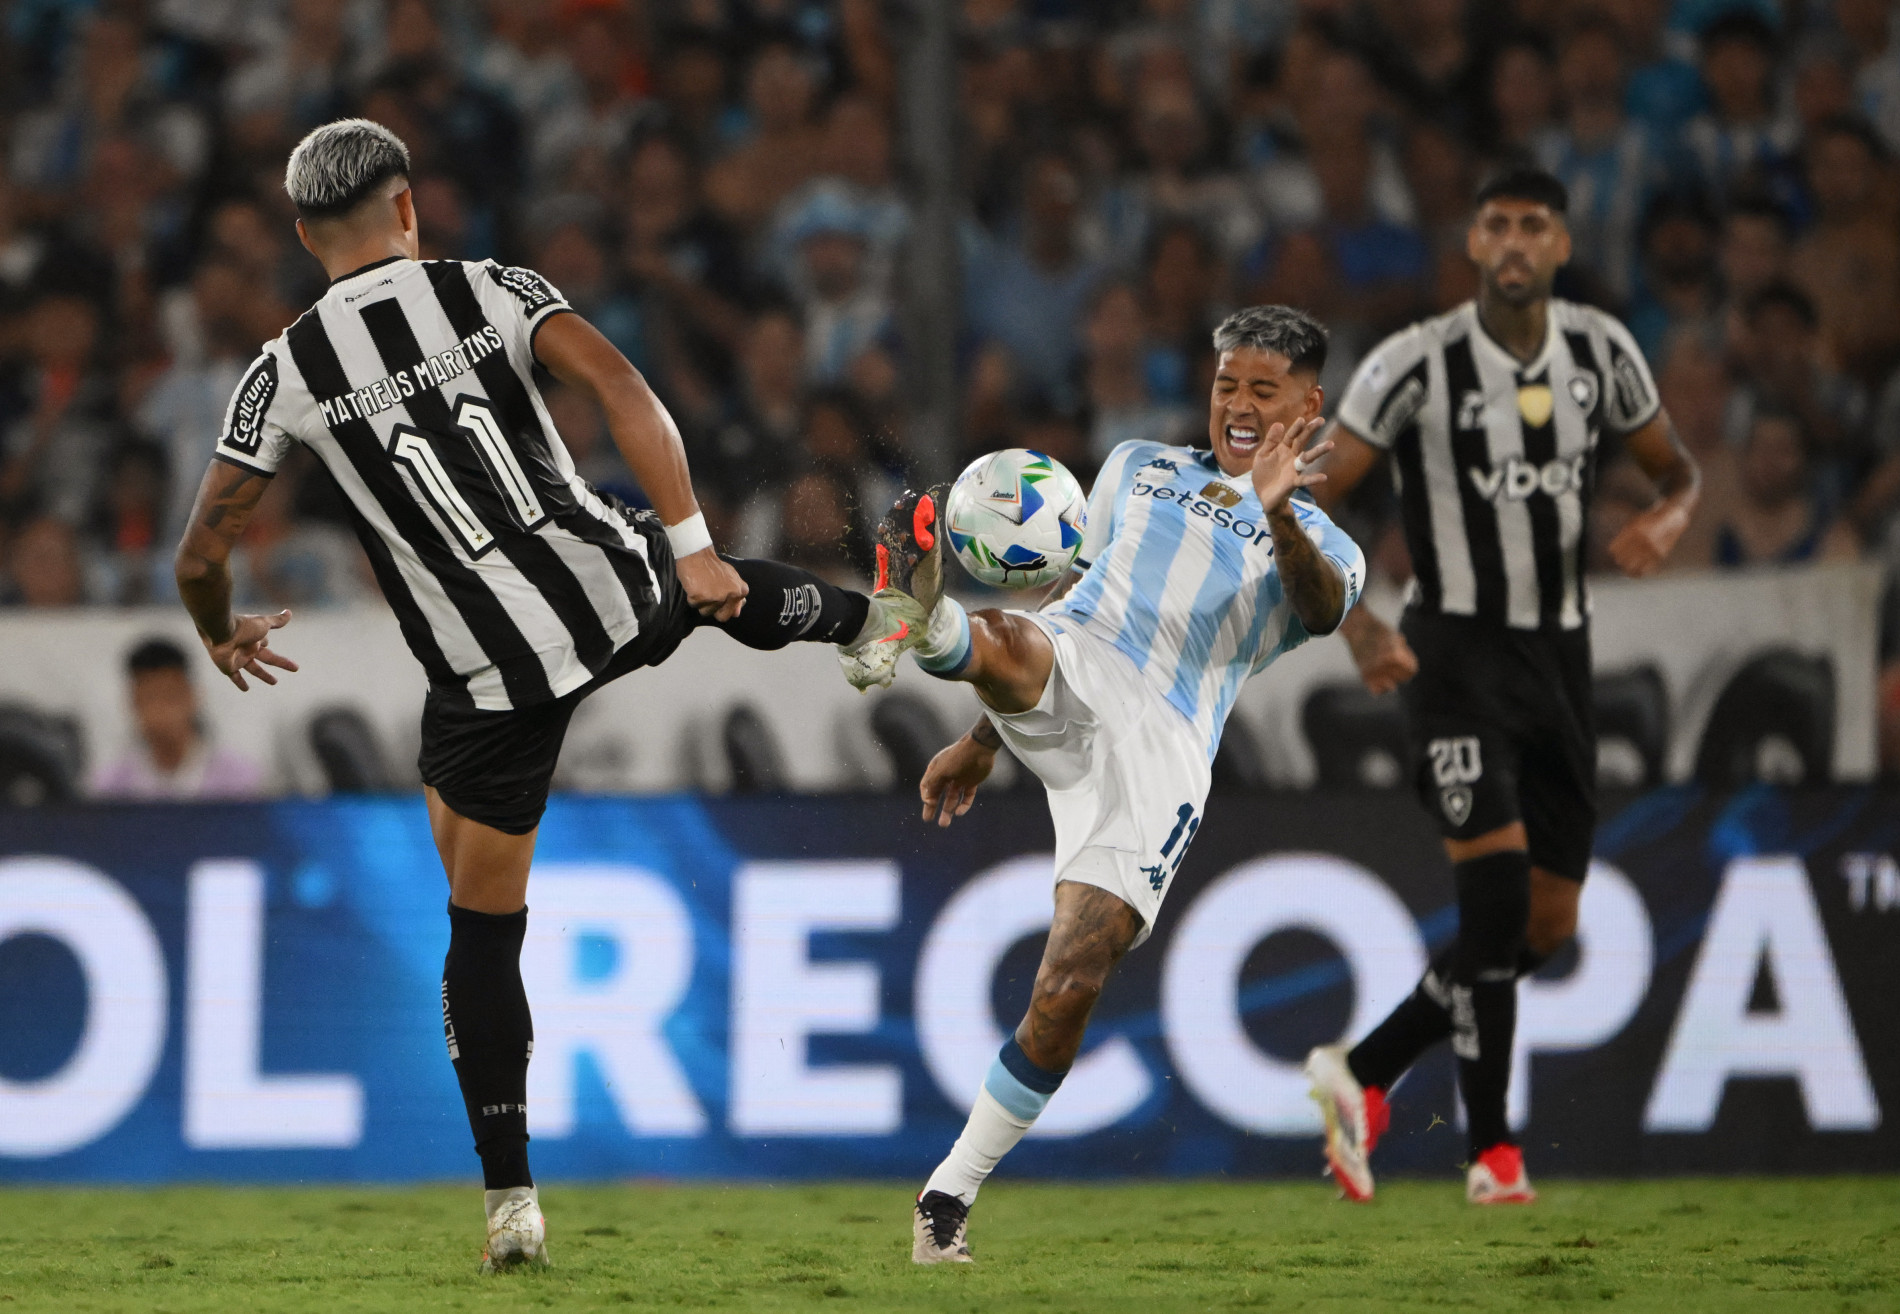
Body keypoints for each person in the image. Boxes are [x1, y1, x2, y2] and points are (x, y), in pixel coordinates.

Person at [171, 119, 895, 1271]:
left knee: (478, 929)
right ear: (408, 207)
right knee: (718, 595)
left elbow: (200, 554)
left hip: (488, 677)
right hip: (607, 584)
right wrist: (695, 541)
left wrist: (218, 634)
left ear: (306, 237)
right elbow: (622, 384)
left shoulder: (283, 372)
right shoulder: (497, 286)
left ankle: (512, 1201)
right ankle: (885, 625)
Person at [837, 305, 1366, 1263]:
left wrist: (1279, 507)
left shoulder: (1328, 542)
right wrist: (985, 741)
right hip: (1080, 657)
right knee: (1018, 635)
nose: (1238, 408)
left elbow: (1320, 612)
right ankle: (919, 614)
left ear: (1308, 403)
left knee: (1068, 983)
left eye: (1263, 391)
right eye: (1225, 386)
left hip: (1160, 750)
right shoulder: (1133, 468)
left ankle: (945, 1199)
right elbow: (1063, 590)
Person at [1301, 165, 1699, 1205]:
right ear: (1472, 246)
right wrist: (1359, 622)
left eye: (1534, 226)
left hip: (1561, 661)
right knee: (1492, 905)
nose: (1516, 243)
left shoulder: (1602, 354)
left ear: (1561, 245)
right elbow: (1299, 503)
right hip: (1454, 660)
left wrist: (1668, 513)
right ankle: (1493, 1154)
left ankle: (1365, 1072)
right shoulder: (1413, 366)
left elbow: (1678, 470)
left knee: (1548, 927)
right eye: (1497, 227)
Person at [89, 638, 265, 800]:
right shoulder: (111, 788)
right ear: (132, 703)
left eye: (170, 697)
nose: (160, 710)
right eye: (149, 698)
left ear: (193, 697)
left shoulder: (240, 782)